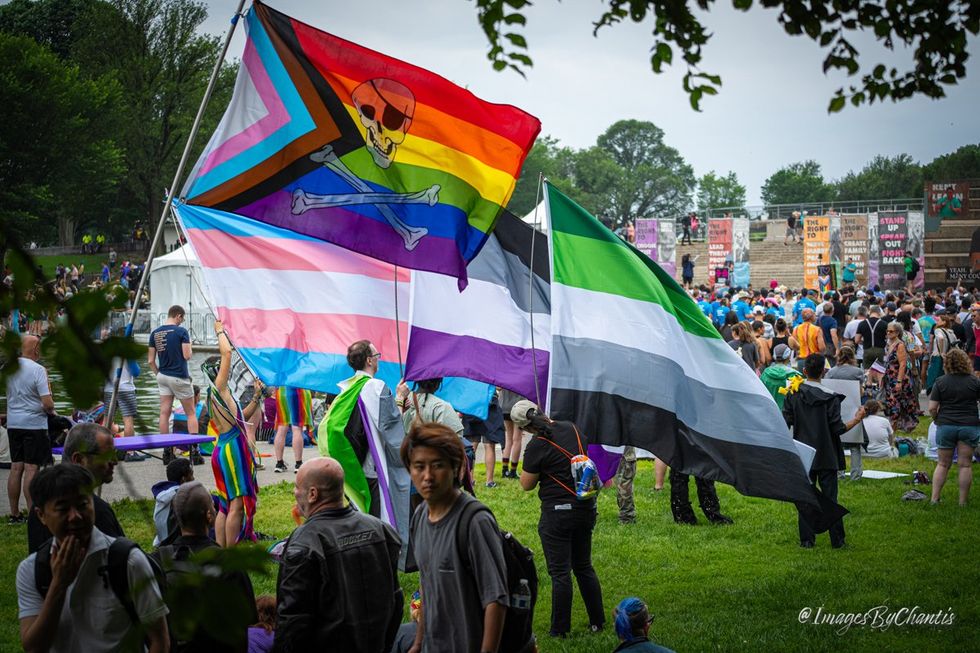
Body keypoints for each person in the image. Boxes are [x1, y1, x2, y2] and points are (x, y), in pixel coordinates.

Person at [16, 464, 170, 652]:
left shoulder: (127, 561)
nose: (75, 516)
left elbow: (159, 640)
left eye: (83, 505)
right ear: (41, 515)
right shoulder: (32, 570)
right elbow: (33, 647)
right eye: (63, 509)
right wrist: (58, 585)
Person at [274, 457, 401, 651]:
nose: (294, 492)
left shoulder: (304, 544)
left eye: (297, 487)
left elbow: (293, 622)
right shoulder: (381, 530)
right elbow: (396, 602)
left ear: (313, 494)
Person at [403, 423, 509, 653]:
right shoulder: (420, 516)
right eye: (419, 466)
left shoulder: (474, 521)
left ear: (456, 468)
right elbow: (427, 583)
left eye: (438, 465)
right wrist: (419, 643)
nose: (427, 476)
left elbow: (496, 599)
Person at [514, 400, 605, 637]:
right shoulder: (572, 428)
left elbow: (526, 484)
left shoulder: (537, 444)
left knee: (560, 573)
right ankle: (598, 622)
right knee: (584, 566)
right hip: (585, 507)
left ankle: (559, 630)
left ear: (524, 427)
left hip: (557, 513)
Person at [319, 340, 410, 563]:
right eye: (377, 354)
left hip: (354, 466)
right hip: (373, 468)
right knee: (377, 520)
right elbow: (390, 428)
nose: (379, 358)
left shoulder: (347, 388)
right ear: (369, 360)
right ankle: (378, 561)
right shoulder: (375, 387)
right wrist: (399, 397)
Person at [153, 481, 258, 652]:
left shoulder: (157, 562)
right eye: (213, 506)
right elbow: (248, 621)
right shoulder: (228, 564)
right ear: (209, 516)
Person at [782, 354, 865, 548]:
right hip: (827, 453)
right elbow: (838, 428)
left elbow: (785, 422)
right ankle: (838, 540)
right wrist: (858, 418)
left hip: (803, 453)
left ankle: (807, 540)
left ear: (804, 371)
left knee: (805, 496)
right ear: (824, 372)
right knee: (830, 498)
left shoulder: (793, 394)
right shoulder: (830, 398)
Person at [205, 321, 263, 545]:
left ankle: (221, 549)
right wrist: (220, 330)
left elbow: (241, 419)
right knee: (236, 504)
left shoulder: (220, 395)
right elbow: (227, 352)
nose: (225, 368)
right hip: (232, 451)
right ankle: (230, 555)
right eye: (221, 367)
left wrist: (257, 396)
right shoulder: (219, 387)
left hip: (223, 449)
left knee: (224, 504)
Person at [29, 423, 125, 553]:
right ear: (79, 459)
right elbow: (121, 560)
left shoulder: (44, 502)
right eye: (106, 455)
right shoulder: (93, 510)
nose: (114, 460)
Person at [6, 335, 55, 524]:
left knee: (15, 467)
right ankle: (33, 514)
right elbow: (47, 403)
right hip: (34, 425)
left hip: (14, 424)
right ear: (36, 349)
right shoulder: (38, 370)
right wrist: (51, 409)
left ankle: (14, 514)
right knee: (31, 469)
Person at [928, 349, 980, 505]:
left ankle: (934, 499)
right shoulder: (975, 381)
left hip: (946, 425)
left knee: (943, 463)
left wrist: (937, 419)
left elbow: (931, 407)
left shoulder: (940, 381)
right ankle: (962, 501)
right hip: (969, 425)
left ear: (946, 363)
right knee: (965, 464)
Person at [149, 305, 198, 464]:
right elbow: (187, 355)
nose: (182, 321)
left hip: (162, 376)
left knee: (164, 413)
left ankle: (167, 452)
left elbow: (150, 360)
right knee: (191, 413)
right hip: (179, 377)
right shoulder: (181, 332)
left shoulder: (155, 333)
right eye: (182, 318)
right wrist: (189, 346)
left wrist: (159, 374)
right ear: (178, 316)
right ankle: (194, 451)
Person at [882, 322, 919, 433]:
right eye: (887, 331)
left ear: (898, 332)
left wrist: (899, 381)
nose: (888, 333)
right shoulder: (889, 343)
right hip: (889, 377)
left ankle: (895, 427)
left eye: (891, 331)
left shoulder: (901, 344)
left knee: (897, 403)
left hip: (898, 378)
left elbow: (903, 363)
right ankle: (896, 426)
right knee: (893, 403)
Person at [151, 458, 194, 546]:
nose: (194, 478)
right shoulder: (181, 494)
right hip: (173, 546)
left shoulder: (165, 492)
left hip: (161, 543)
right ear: (183, 479)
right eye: (191, 475)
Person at [272, 386, 313, 473]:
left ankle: (279, 463)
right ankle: (298, 464)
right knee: (297, 428)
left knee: (281, 427)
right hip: (299, 389)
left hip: (282, 391)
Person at [103, 356, 140, 438]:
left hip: (109, 389)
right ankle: (129, 449)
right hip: (126, 389)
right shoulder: (126, 350)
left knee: (106, 420)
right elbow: (136, 372)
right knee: (128, 421)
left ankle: (103, 447)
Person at [761, 344, 803, 409]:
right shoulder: (795, 375)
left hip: (770, 411)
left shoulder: (765, 373)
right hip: (788, 414)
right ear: (788, 356)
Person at [926, 310, 959, 392]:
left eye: (939, 320)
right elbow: (955, 344)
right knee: (945, 375)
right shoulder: (951, 332)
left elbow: (940, 338)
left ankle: (935, 394)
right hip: (948, 356)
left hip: (938, 356)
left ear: (944, 322)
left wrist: (941, 352)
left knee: (934, 376)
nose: (937, 321)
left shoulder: (938, 330)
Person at [497, 388, 525, 479]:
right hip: (519, 406)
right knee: (517, 439)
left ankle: (504, 470)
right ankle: (513, 471)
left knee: (509, 439)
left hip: (504, 406)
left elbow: (498, 387)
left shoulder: (503, 373)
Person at [855, 304, 889, 369]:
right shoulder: (884, 324)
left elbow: (856, 340)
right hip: (880, 350)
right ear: (879, 312)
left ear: (870, 312)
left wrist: (864, 341)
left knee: (867, 372)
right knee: (879, 371)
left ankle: (868, 379)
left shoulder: (862, 323)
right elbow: (888, 338)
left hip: (867, 349)